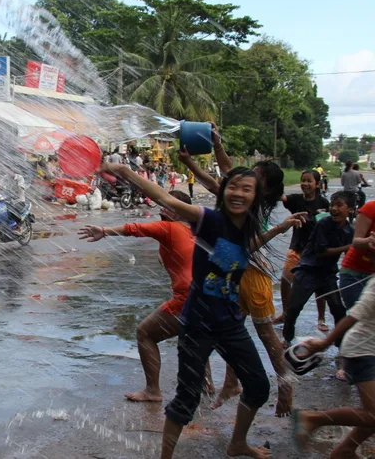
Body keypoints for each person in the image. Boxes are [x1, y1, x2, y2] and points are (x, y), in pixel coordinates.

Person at [101, 162, 303, 459]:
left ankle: (237, 444)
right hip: (198, 323)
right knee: (187, 398)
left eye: (246, 189)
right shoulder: (209, 219)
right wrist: (125, 171)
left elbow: (244, 248)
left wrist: (279, 228)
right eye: (233, 187)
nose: (238, 193)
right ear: (223, 192)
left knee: (258, 387)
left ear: (256, 196)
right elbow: (165, 199)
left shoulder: (245, 225)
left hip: (230, 323)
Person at [179, 128, 293, 417]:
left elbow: (224, 176)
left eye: (254, 179)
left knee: (265, 333)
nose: (244, 182)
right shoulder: (243, 201)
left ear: (264, 190)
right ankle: (231, 384)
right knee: (233, 332)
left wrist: (215, 146)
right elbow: (221, 181)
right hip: (234, 274)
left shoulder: (253, 205)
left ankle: (286, 385)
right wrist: (192, 163)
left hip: (253, 274)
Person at [78, 191, 194, 403]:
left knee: (145, 333)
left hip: (186, 298)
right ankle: (208, 384)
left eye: (167, 205)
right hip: (205, 297)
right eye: (162, 203)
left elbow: (135, 228)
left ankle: (152, 391)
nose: (162, 208)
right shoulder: (195, 231)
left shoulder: (169, 228)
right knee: (192, 337)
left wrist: (104, 231)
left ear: (180, 211)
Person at [293, 274, 375, 457]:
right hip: (362, 351)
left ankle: (345, 450)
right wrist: (324, 343)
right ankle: (312, 419)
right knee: (373, 414)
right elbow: (352, 316)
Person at [282, 192, 354, 353]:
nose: (334, 208)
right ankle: (287, 337)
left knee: (338, 309)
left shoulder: (350, 231)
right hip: (308, 271)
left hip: (327, 274)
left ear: (350, 209)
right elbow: (322, 252)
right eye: (332, 204)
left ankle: (340, 344)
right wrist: (350, 246)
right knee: (294, 308)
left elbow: (351, 254)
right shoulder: (324, 224)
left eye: (339, 205)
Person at [275, 170, 331, 330]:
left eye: (309, 181)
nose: (305, 184)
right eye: (303, 180)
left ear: (317, 184)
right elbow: (281, 197)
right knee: (286, 279)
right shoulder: (296, 199)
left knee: (319, 285)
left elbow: (330, 225)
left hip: (316, 251)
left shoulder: (323, 202)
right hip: (297, 248)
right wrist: (272, 183)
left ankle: (321, 318)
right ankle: (285, 313)